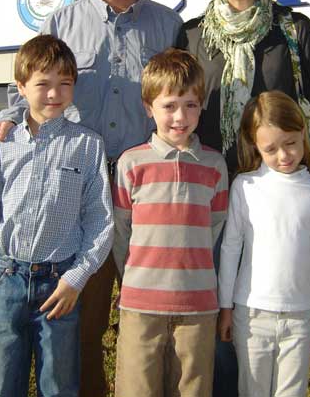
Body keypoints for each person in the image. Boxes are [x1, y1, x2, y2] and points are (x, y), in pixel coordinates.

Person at [0, 0, 182, 397]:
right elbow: (31, 87)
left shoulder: (169, 24)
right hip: (78, 192)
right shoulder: (60, 21)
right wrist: (6, 120)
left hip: (148, 192)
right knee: (82, 326)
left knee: (154, 317)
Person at [176, 0, 310, 395]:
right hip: (213, 195)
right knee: (225, 308)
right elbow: (174, 104)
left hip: (279, 196)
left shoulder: (294, 30)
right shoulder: (190, 37)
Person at [0, 35, 114, 397]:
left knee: (59, 385)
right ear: (20, 87)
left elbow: (100, 220)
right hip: (6, 281)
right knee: (2, 384)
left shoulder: (88, 145)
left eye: (64, 84)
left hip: (58, 285)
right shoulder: (4, 145)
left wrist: (76, 278)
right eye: (42, 84)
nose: (54, 94)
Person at [112, 48, 229, 397]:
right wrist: (131, 278)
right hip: (140, 305)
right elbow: (122, 233)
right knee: (137, 389)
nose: (181, 116)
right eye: (169, 105)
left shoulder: (214, 165)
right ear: (149, 108)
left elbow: (215, 228)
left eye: (191, 105)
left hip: (198, 307)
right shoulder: (131, 164)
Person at [218, 90, 310, 397]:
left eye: (291, 144)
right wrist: (226, 307)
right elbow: (231, 249)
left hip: (301, 317)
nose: (283, 156)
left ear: (302, 133)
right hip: (252, 315)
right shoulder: (245, 187)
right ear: (254, 146)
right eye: (270, 149)